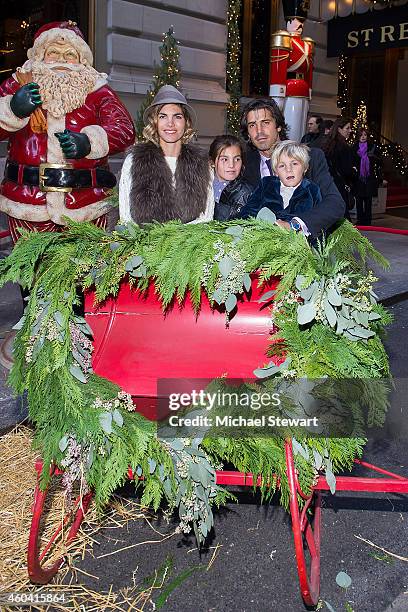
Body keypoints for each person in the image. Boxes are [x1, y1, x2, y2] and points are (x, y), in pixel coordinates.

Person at [0, 21, 136, 242]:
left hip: (86, 203)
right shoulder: (19, 84)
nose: (62, 59)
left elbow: (124, 128)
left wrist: (90, 142)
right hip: (27, 202)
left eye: (70, 54)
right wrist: (12, 109)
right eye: (53, 52)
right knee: (34, 272)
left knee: (83, 272)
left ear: (82, 60)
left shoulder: (97, 90)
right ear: (40, 56)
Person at [239, 98, 345, 238]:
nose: (259, 131)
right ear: (248, 132)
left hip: (307, 249)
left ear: (278, 126)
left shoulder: (312, 157)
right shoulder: (242, 163)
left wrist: (295, 225)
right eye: (252, 125)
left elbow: (335, 203)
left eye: (265, 123)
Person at [119, 85, 213, 224]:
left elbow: (206, 218)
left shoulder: (202, 163)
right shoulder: (134, 161)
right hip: (146, 244)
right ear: (155, 122)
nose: (170, 123)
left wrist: (174, 239)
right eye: (163, 116)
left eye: (177, 117)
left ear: (186, 123)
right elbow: (126, 219)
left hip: (188, 244)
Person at [240, 140, 321, 227]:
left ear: (305, 168)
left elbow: (317, 222)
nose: (288, 169)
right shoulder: (266, 184)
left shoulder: (312, 190)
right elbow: (249, 210)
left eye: (294, 163)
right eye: (282, 166)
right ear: (276, 172)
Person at [269, 0, 315, 141]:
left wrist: (309, 93)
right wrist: (278, 96)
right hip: (289, 89)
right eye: (295, 20)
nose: (299, 24)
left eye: (301, 20)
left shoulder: (307, 43)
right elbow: (278, 69)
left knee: (301, 128)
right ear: (288, 21)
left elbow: (309, 72)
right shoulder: (283, 38)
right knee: (290, 127)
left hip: (302, 89)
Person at [320, 117, 359, 220]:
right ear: (339, 129)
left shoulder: (326, 144)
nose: (350, 131)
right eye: (347, 128)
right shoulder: (344, 147)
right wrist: (354, 171)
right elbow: (346, 171)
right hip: (340, 187)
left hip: (327, 186)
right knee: (343, 220)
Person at [210, 134, 253, 221]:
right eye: (225, 159)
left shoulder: (245, 192)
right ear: (212, 162)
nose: (232, 165)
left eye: (237, 159)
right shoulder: (202, 187)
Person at [352, 127, 381, 226]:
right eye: (361, 135)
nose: (363, 137)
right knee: (359, 200)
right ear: (357, 136)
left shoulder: (372, 147)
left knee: (368, 200)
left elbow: (378, 161)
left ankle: (368, 220)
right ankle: (360, 220)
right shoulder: (354, 147)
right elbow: (352, 161)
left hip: (369, 177)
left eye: (365, 135)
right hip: (358, 178)